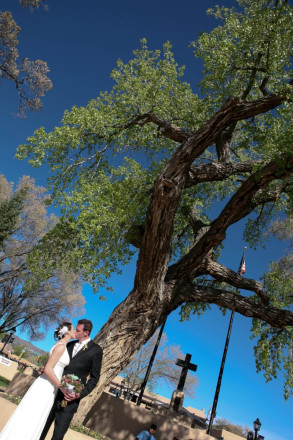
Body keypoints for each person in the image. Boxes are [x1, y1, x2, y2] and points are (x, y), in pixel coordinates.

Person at [0, 321, 76, 440]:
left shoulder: (59, 345)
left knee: (33, 415)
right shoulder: (61, 347)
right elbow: (49, 369)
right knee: (33, 416)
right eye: (73, 329)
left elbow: (47, 367)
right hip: (47, 387)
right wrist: (62, 387)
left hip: (49, 385)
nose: (75, 332)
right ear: (67, 332)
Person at [39, 318, 103, 440]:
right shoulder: (69, 344)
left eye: (78, 330)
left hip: (70, 401)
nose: (75, 332)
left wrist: (78, 394)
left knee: (58, 435)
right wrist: (46, 370)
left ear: (86, 333)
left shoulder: (96, 350)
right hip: (53, 393)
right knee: (41, 428)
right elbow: (58, 364)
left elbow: (94, 378)